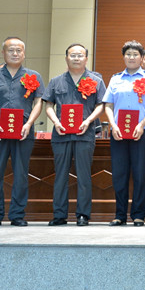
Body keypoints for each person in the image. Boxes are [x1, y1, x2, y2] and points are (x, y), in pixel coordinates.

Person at [0, 36, 44, 227]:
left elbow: (39, 102)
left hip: (23, 132)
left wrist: (29, 123)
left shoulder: (34, 76)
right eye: (10, 50)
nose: (15, 53)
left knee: (21, 173)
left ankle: (17, 214)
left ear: (24, 53)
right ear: (3, 53)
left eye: (18, 50)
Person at [42, 43, 106, 226]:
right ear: (66, 58)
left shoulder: (96, 81)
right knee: (60, 175)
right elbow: (48, 105)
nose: (76, 58)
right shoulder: (56, 81)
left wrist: (88, 121)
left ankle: (83, 214)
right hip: (61, 134)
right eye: (72, 55)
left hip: (85, 134)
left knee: (84, 175)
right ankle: (59, 214)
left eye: (80, 55)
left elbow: (101, 105)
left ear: (86, 58)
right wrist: (56, 122)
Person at [103, 40, 145, 227]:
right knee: (119, 174)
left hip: (141, 131)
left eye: (135, 54)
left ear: (141, 58)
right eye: (128, 54)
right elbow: (108, 105)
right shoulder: (115, 79)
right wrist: (113, 125)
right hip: (118, 132)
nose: (131, 57)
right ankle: (120, 215)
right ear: (123, 57)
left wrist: (142, 124)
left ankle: (138, 215)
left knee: (139, 173)